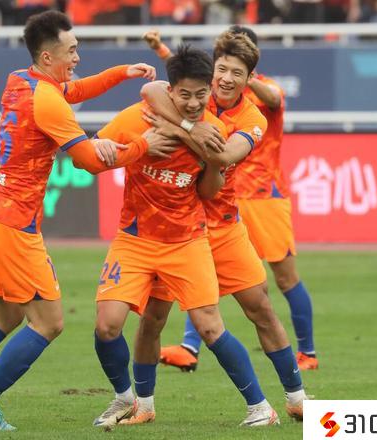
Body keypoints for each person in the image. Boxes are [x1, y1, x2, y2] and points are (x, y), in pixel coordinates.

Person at [0, 10, 171, 432]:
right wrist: (140, 145)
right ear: (47, 57)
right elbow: (87, 162)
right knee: (49, 323)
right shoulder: (48, 101)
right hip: (14, 225)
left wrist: (121, 73)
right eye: (71, 51)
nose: (77, 57)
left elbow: (73, 90)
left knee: (5, 317)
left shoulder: (20, 81)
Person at [91, 44, 277, 430]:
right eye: (185, 94)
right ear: (171, 90)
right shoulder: (139, 116)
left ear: (210, 90)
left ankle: (260, 407)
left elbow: (208, 191)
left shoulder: (215, 131)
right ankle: (130, 400)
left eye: (201, 94)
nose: (193, 103)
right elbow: (92, 156)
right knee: (108, 325)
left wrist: (202, 153)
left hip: (187, 240)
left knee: (210, 326)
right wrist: (106, 145)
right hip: (135, 239)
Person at [134, 29, 308, 426]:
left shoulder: (253, 117)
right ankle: (142, 405)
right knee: (153, 318)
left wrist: (178, 128)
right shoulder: (197, 96)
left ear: (250, 79)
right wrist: (191, 124)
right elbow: (152, 90)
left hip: (223, 226)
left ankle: (297, 398)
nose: (227, 79)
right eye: (222, 69)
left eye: (237, 73)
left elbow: (226, 155)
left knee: (261, 309)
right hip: (175, 228)